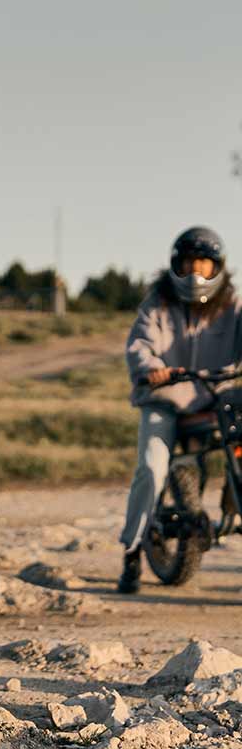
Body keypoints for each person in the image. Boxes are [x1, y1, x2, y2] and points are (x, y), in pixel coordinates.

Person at [119, 226, 242, 593]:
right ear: (176, 265)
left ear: (216, 267)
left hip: (215, 395)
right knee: (152, 467)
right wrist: (150, 369)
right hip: (165, 399)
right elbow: (140, 344)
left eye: (203, 264)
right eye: (189, 264)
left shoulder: (232, 305)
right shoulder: (157, 303)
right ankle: (132, 549)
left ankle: (233, 496)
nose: (195, 273)